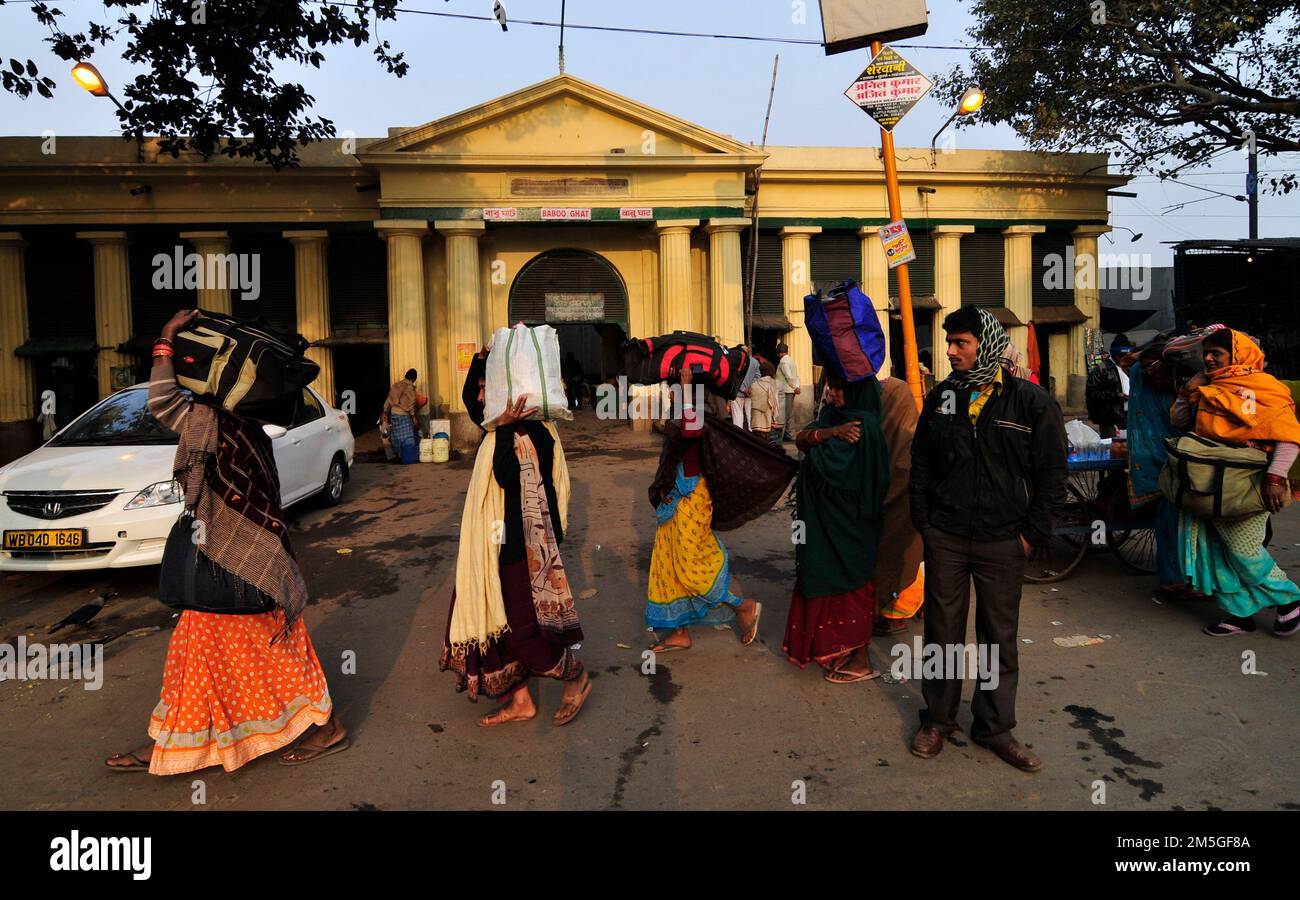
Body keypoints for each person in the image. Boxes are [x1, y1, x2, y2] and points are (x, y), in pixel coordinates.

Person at [106, 309, 347, 773]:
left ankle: (325, 725)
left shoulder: (215, 426)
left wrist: (165, 340)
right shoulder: (242, 428)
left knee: (259, 652)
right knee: (200, 652)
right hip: (233, 559)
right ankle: (174, 742)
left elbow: (160, 400)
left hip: (237, 562)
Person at [908, 305, 1066, 772]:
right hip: (948, 537)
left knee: (999, 638)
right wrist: (927, 526)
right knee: (942, 633)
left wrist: (1032, 535)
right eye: (949, 342)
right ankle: (937, 719)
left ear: (987, 345)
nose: (951, 351)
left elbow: (1052, 474)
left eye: (960, 342)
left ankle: (994, 727)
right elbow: (921, 467)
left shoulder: (1030, 401)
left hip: (1004, 540)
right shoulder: (941, 399)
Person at [439, 362, 593, 725]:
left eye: (485, 389)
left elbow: (508, 476)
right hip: (494, 544)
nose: (479, 398)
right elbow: (468, 399)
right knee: (497, 624)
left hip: (522, 548)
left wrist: (506, 428)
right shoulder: (499, 426)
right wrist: (482, 358)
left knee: (523, 632)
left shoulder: (534, 432)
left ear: (509, 396)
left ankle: (576, 677)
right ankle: (521, 701)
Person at [645, 366, 796, 652]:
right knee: (668, 565)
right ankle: (679, 630)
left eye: (673, 384)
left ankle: (743, 606)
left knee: (691, 567)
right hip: (675, 498)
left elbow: (691, 430)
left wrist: (686, 391)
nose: (670, 388)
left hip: (693, 499)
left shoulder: (699, 413)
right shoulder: (681, 408)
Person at [1170, 327, 1300, 637]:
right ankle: (1239, 615)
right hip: (1209, 483)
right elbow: (1178, 421)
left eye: (1218, 353)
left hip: (1248, 483)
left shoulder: (1261, 387)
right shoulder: (1209, 387)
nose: (1210, 358)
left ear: (1238, 355)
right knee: (1218, 550)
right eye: (1207, 353)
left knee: (1244, 550)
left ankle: (1290, 600)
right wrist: (1190, 389)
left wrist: (1274, 478)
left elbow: (1288, 437)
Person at [782, 371, 889, 681]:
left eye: (842, 388)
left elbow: (825, 465)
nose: (834, 393)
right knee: (821, 577)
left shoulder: (862, 425)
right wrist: (828, 434)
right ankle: (838, 650)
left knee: (853, 583)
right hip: (822, 523)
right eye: (832, 386)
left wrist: (820, 442)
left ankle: (861, 658)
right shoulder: (833, 417)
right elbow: (802, 440)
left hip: (851, 524)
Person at [1122, 335, 1198, 601]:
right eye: (1147, 370)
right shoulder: (1142, 377)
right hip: (1160, 464)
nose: (1150, 375)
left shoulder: (1185, 386)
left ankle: (1182, 579)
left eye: (1155, 369)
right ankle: (1176, 579)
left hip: (1183, 463)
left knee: (1177, 524)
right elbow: (1130, 361)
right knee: (1169, 523)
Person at [872, 375, 925, 635]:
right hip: (903, 498)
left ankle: (887, 611)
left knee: (891, 552)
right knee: (904, 553)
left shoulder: (874, 423)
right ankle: (892, 611)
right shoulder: (909, 424)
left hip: (893, 496)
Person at [1086, 333, 1132, 438]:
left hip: (1130, 415)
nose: (1124, 360)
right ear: (1114, 355)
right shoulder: (1100, 370)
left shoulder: (1132, 368)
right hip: (1110, 418)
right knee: (1113, 446)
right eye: (1121, 357)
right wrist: (1117, 396)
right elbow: (1092, 394)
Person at [384, 368, 421, 463]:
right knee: (408, 436)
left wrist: (385, 412)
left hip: (393, 413)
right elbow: (411, 403)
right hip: (403, 414)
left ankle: (398, 455)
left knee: (397, 435)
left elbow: (388, 399)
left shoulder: (396, 385)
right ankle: (408, 456)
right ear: (413, 379)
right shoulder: (410, 388)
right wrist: (413, 417)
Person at [749, 359, 782, 448]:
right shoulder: (775, 383)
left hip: (756, 411)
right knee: (767, 431)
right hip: (769, 410)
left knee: (758, 430)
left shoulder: (754, 384)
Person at [775, 342, 801, 440]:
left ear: (780, 353)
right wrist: (797, 386)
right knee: (789, 413)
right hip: (790, 390)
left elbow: (789, 376)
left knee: (783, 413)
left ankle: (780, 436)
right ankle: (791, 434)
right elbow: (796, 376)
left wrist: (795, 387)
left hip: (786, 390)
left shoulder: (783, 362)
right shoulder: (791, 360)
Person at [732, 347, 760, 430]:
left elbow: (734, 378)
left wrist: (744, 389)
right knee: (750, 415)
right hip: (750, 393)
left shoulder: (736, 362)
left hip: (737, 393)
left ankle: (738, 434)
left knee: (737, 415)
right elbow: (758, 376)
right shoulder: (755, 362)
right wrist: (751, 387)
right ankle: (751, 433)